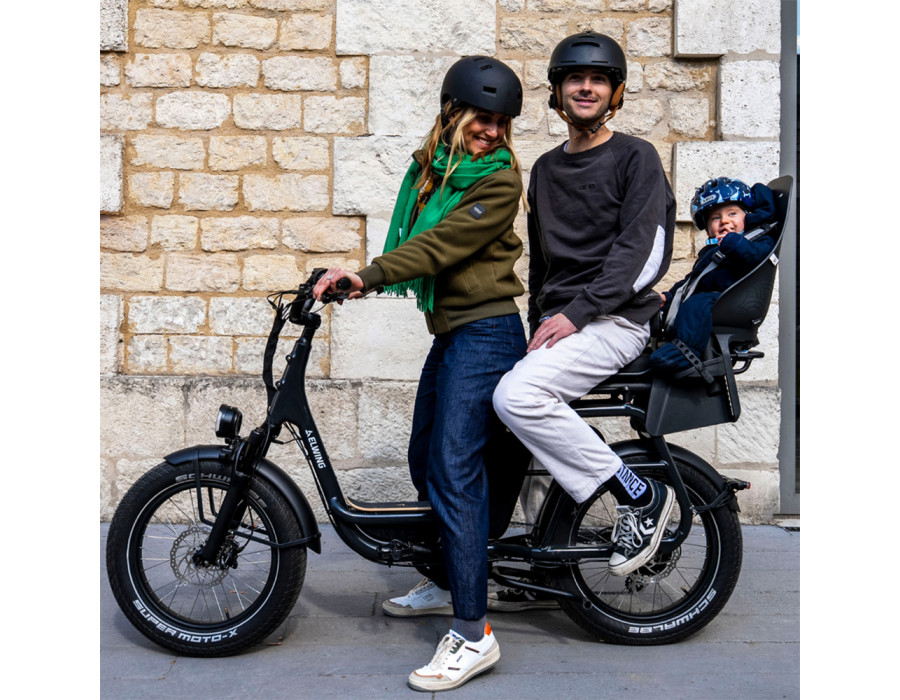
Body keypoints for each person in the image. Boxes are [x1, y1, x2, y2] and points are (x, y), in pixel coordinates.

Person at [313, 56, 527, 692]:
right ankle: (446, 578)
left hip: (487, 334)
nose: (491, 131)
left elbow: (439, 247)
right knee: (424, 458)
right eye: (481, 118)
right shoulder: (432, 170)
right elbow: (421, 240)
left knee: (455, 471)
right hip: (454, 334)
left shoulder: (499, 181)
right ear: (451, 113)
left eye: (501, 122)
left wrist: (368, 275)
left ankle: (473, 633)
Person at [490, 31, 677, 595]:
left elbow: (643, 255)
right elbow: (543, 263)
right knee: (520, 432)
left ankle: (639, 494)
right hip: (565, 324)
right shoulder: (546, 169)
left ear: (615, 93)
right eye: (576, 79)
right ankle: (547, 564)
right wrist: (539, 324)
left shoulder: (636, 156)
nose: (587, 88)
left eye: (598, 80)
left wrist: (579, 313)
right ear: (558, 92)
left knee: (517, 397)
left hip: (616, 321)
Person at [650, 176, 779, 372]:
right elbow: (693, 280)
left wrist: (733, 242)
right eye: (715, 218)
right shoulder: (712, 251)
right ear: (708, 229)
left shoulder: (759, 239)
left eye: (732, 213)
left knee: (696, 305)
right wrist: (669, 297)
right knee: (678, 303)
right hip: (715, 298)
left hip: (732, 301)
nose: (724, 220)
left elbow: (756, 258)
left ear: (749, 215)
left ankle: (686, 353)